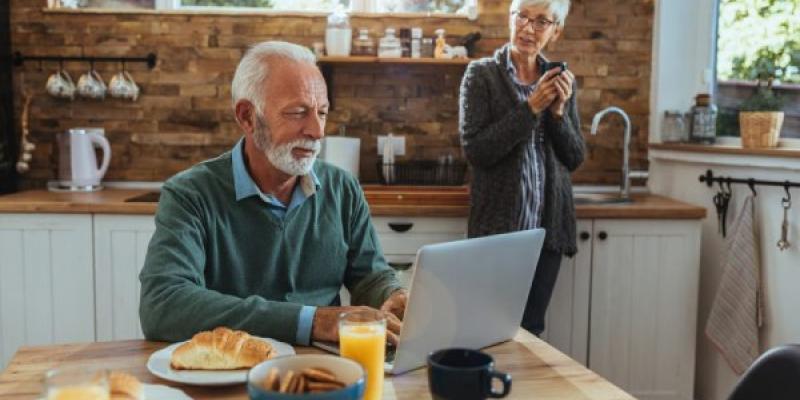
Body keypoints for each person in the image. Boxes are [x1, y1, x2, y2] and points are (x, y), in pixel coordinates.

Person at [139, 41, 406, 346]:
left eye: (322, 112)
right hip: (233, 369)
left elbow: (369, 276)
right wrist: (312, 321)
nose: (317, 131)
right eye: (297, 112)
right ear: (247, 117)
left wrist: (392, 294)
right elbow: (162, 305)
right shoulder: (190, 195)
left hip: (328, 369)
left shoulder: (343, 188)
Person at [458, 0, 585, 336]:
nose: (529, 28)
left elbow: (574, 157)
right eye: (523, 17)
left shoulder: (561, 81)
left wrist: (557, 114)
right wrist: (531, 108)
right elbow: (477, 150)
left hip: (547, 232)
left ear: (555, 31)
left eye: (541, 21)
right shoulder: (481, 75)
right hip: (497, 231)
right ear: (510, 19)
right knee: (488, 330)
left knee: (530, 330)